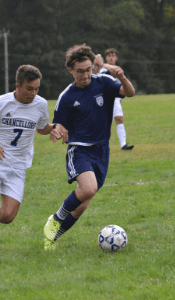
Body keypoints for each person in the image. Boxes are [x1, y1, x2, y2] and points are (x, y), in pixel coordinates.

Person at [43, 44, 135, 250]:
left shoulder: (103, 82)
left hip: (102, 151)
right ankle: (56, 218)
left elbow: (130, 93)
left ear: (92, 67)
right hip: (79, 150)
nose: (85, 75)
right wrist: (57, 130)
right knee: (88, 188)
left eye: (88, 70)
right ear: (70, 70)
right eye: (80, 71)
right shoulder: (67, 96)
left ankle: (51, 237)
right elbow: (59, 124)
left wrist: (122, 77)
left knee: (82, 205)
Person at [0, 65, 62, 256]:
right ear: (18, 85)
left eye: (37, 89)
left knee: (7, 216)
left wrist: (54, 128)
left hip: (18, 166)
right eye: (29, 89)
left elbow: (41, 127)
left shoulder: (40, 104)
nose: (33, 93)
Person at [94, 49, 134, 150]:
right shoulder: (102, 70)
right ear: (106, 58)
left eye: (113, 55)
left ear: (116, 58)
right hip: (104, 99)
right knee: (101, 122)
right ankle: (96, 143)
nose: (111, 57)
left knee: (119, 119)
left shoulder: (117, 70)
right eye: (109, 56)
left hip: (115, 99)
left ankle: (123, 144)